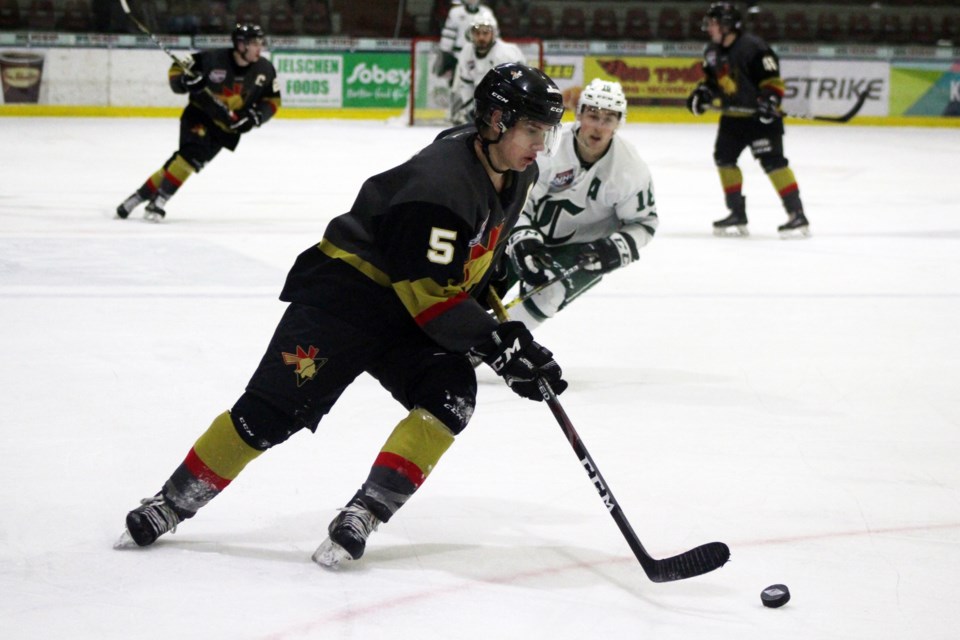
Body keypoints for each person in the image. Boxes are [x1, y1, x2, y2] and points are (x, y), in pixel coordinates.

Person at [115, 63, 568, 569]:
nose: (540, 144)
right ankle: (172, 501)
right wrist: (499, 346)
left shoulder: (517, 170)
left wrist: (492, 276)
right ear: (496, 120)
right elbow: (432, 298)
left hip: (410, 311)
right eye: (532, 130)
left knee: (451, 397)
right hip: (349, 297)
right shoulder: (438, 186)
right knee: (267, 414)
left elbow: (474, 251)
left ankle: (364, 512)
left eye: (546, 132)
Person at [504, 79, 658, 330]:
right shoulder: (547, 148)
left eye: (608, 118)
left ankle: (493, 346)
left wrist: (618, 247)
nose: (598, 126)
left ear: (620, 123)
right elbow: (516, 200)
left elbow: (644, 223)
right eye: (593, 115)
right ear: (579, 114)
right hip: (531, 231)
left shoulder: (630, 169)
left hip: (582, 249)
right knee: (481, 283)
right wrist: (522, 236)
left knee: (549, 294)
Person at [115, 23, 281, 222]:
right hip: (199, 115)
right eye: (254, 43)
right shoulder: (212, 59)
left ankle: (138, 196)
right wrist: (185, 82)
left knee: (182, 162)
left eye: (260, 43)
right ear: (240, 45)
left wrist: (255, 117)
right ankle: (159, 201)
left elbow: (273, 100)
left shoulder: (265, 69)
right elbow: (177, 69)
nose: (259, 48)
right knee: (191, 156)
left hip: (226, 129)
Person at [686, 2, 809, 238]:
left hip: (761, 119)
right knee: (724, 159)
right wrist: (703, 94)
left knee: (773, 163)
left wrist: (769, 101)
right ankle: (737, 212)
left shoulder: (755, 48)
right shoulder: (712, 52)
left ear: (727, 25)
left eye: (713, 23)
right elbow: (713, 83)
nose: (708, 28)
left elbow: (772, 81)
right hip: (733, 117)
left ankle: (797, 214)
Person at [449, 15, 525, 125]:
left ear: (493, 34)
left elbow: (517, 87)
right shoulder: (466, 51)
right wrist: (473, 108)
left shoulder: (507, 54)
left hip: (507, 102)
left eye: (485, 33)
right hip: (483, 100)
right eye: (477, 33)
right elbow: (466, 84)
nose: (481, 37)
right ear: (471, 34)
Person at [434, 0, 498, 83]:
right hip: (458, 57)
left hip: (482, 57)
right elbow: (448, 37)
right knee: (457, 85)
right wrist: (445, 56)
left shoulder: (486, 12)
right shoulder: (455, 13)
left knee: (483, 83)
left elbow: (494, 36)